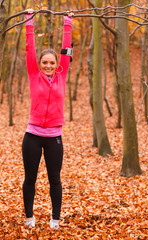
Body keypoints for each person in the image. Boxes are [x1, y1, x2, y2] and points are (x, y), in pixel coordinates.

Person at [22, 8, 73, 229]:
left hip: (54, 137)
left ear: (57, 64)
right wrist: (29, 21)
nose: (49, 66)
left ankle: (55, 218)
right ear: (40, 64)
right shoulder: (34, 73)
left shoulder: (63, 74)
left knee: (55, 179)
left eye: (52, 63)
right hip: (32, 135)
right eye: (45, 62)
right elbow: (30, 48)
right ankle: (29, 217)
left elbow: (67, 50)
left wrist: (68, 23)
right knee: (30, 179)